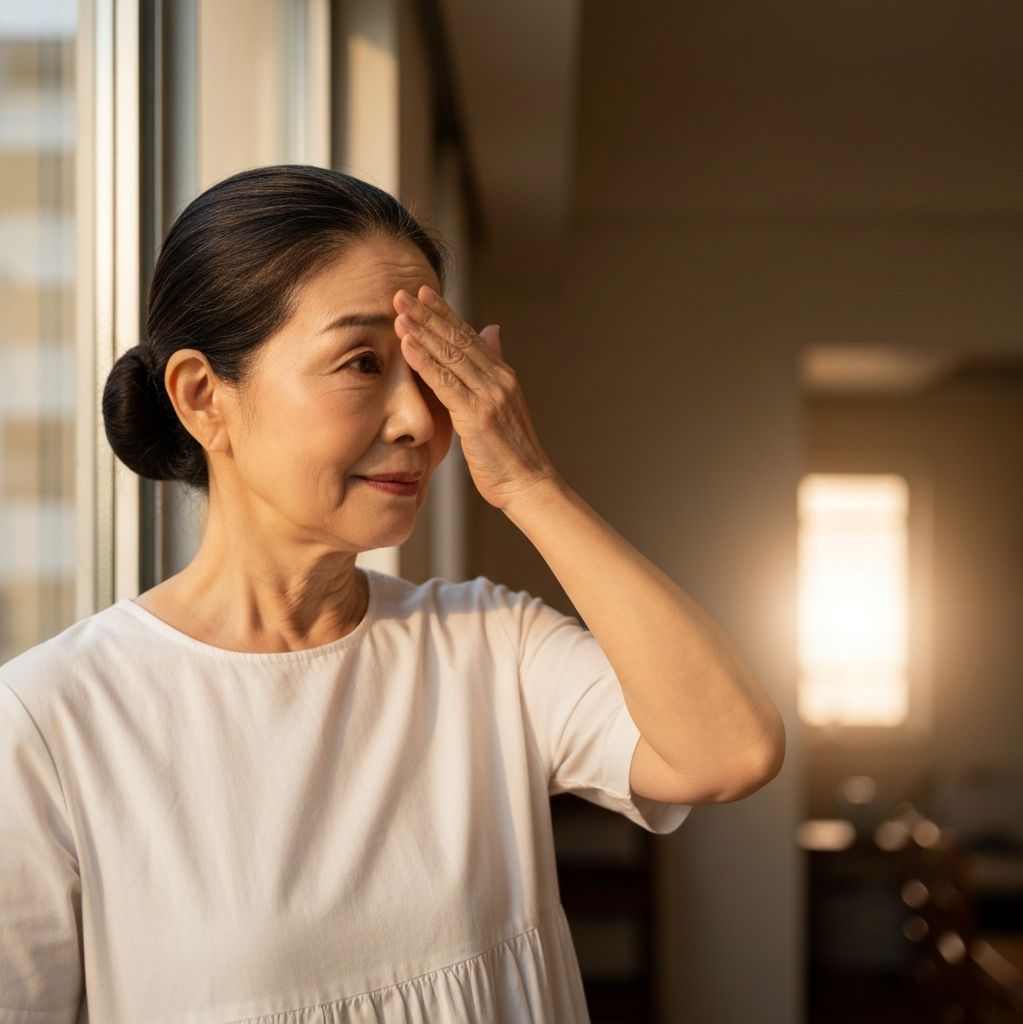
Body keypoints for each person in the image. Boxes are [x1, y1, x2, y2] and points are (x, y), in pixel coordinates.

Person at [0, 165, 785, 1023]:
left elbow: (730, 752)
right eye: (363, 361)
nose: (420, 418)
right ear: (202, 397)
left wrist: (531, 485)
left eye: (429, 367)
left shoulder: (489, 645)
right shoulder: (53, 719)